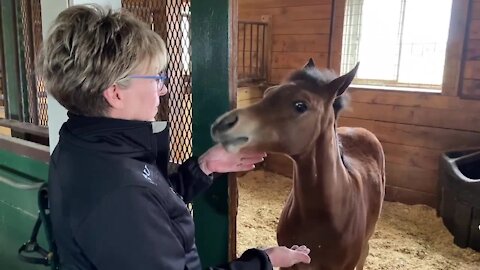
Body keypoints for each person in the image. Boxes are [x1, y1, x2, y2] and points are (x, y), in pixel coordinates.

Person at [40, 4, 311, 270]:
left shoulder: (83, 145)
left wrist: (202, 167)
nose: (164, 88)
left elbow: (151, 207)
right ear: (115, 93)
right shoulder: (120, 194)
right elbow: (132, 206)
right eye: (155, 77)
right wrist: (265, 261)